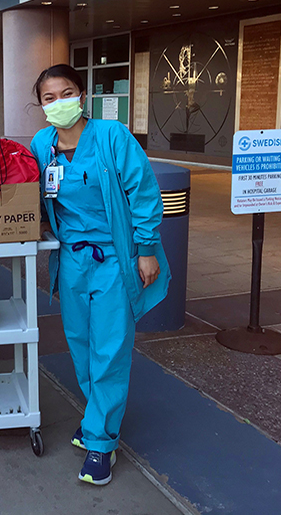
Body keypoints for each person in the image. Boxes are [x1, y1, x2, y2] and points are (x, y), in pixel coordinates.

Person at [30, 64, 170, 486]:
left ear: (83, 95)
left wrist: (146, 250)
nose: (59, 103)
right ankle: (98, 420)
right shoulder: (41, 144)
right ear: (40, 105)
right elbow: (35, 194)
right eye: (49, 98)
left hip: (115, 259)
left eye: (67, 93)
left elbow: (143, 191)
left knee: (109, 349)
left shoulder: (112, 137)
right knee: (80, 344)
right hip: (72, 260)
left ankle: (101, 443)